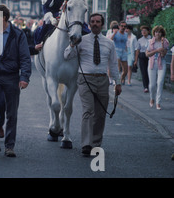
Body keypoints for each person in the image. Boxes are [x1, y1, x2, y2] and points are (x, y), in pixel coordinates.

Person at [64, 13, 122, 157]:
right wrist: (72, 44)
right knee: (88, 111)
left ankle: (95, 144)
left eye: (97, 22)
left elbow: (113, 65)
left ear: (102, 24)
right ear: (89, 24)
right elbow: (66, 55)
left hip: (103, 80)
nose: (95, 24)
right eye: (92, 22)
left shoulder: (109, 43)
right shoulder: (81, 40)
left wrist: (118, 83)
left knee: (100, 114)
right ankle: (86, 144)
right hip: (85, 79)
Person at [0, 4, 31, 158]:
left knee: (11, 113)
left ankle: (9, 146)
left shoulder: (18, 34)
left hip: (11, 76)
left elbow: (25, 58)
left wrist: (24, 77)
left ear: (3, 17)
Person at [145, 25, 169, 110]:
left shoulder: (165, 42)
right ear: (154, 33)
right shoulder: (150, 41)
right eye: (156, 32)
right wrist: (156, 50)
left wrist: (162, 44)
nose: (157, 33)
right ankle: (152, 98)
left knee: (160, 82)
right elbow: (147, 54)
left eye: (159, 32)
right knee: (152, 85)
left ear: (162, 33)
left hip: (161, 63)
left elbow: (163, 54)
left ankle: (158, 102)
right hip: (152, 63)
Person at [134, 25, 151, 93]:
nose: (143, 32)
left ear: (148, 32)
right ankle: (145, 87)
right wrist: (136, 60)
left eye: (145, 30)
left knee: (149, 71)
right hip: (142, 55)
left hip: (150, 55)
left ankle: (150, 85)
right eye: (142, 31)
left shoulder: (151, 39)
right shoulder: (140, 40)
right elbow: (138, 50)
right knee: (143, 72)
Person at [111, 20, 128, 84]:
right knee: (117, 67)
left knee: (125, 70)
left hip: (123, 51)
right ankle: (115, 80)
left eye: (124, 26)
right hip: (117, 50)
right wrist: (114, 33)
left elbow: (126, 43)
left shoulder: (126, 34)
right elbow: (110, 40)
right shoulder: (116, 33)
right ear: (119, 26)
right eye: (122, 26)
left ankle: (122, 78)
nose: (123, 27)